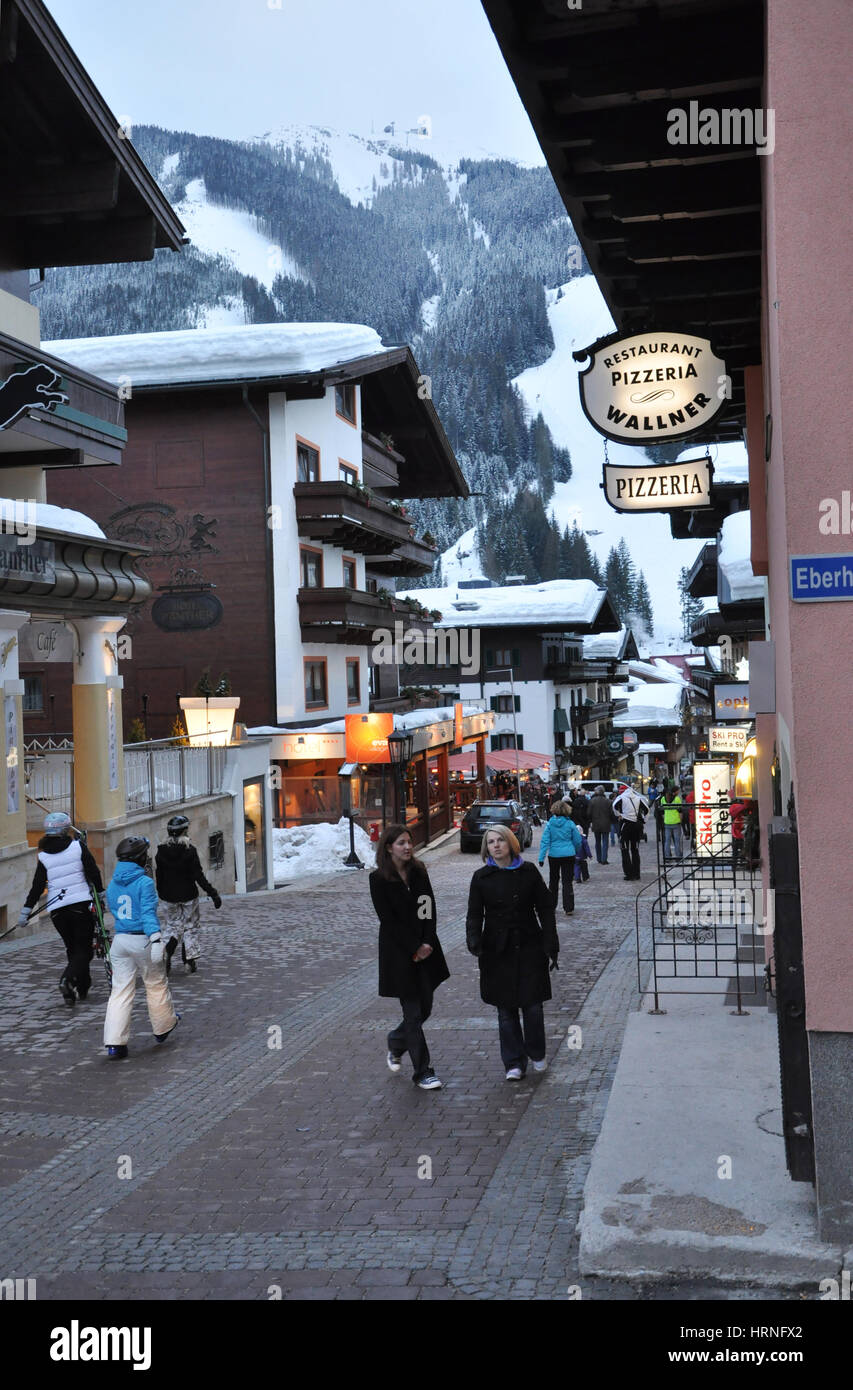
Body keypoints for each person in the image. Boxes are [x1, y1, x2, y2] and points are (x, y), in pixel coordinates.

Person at [467, 823, 558, 1081]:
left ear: (510, 843)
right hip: (497, 949)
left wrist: (550, 942)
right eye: (491, 842)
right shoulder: (481, 878)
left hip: (529, 944)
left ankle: (536, 1051)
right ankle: (513, 1061)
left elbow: (545, 908)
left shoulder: (528, 872)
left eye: (500, 841)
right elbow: (474, 914)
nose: (496, 846)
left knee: (532, 1006)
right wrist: (474, 940)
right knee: (505, 1009)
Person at [369, 824, 449, 1091]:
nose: (407, 847)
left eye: (409, 842)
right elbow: (388, 921)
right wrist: (413, 947)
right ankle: (423, 1072)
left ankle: (396, 1040)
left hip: (426, 949)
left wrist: (427, 941)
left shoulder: (418, 872)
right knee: (413, 1013)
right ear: (389, 847)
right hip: (400, 954)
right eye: (401, 843)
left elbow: (428, 907)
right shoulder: (379, 879)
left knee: (425, 1009)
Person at [103, 836, 180, 1059]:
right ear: (141, 858)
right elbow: (147, 914)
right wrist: (156, 939)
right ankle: (163, 1027)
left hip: (120, 941)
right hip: (142, 939)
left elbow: (114, 909)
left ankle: (114, 1043)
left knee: (120, 991)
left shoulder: (113, 883)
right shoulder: (144, 882)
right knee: (155, 983)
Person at [18, 811, 104, 1006]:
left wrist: (26, 911)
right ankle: (66, 980)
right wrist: (100, 893)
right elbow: (93, 871)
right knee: (84, 950)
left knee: (73, 949)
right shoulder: (77, 847)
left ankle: (80, 987)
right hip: (80, 905)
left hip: (57, 910)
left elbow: (37, 887)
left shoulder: (44, 857)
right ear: (66, 830)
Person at [154, 814, 222, 975]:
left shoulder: (161, 852)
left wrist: (162, 893)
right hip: (188, 896)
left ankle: (166, 953)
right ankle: (189, 961)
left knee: (172, 926)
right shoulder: (189, 851)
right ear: (184, 831)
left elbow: (159, 877)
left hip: (168, 897)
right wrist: (213, 894)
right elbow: (198, 875)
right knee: (190, 927)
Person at [538, 799, 582, 914]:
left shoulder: (550, 824)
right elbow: (577, 840)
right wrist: (575, 850)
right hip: (568, 854)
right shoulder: (570, 823)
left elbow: (545, 841)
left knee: (553, 881)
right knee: (567, 882)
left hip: (554, 855)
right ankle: (568, 908)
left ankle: (552, 905)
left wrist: (541, 858)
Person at [613, 784, 650, 881]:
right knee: (635, 850)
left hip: (625, 825)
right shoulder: (638, 798)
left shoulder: (621, 798)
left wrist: (620, 814)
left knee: (624, 849)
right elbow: (647, 809)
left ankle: (629, 874)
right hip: (636, 827)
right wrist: (644, 820)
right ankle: (637, 873)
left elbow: (614, 806)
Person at [589, 785, 615, 864]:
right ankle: (604, 859)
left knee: (597, 842)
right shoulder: (608, 801)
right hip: (606, 823)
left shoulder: (592, 801)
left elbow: (589, 813)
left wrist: (591, 821)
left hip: (596, 823)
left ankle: (599, 858)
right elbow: (612, 813)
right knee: (605, 841)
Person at [660, 783, 685, 859]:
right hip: (676, 822)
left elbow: (662, 812)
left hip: (667, 822)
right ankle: (678, 857)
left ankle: (667, 857)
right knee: (677, 841)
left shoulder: (663, 799)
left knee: (667, 841)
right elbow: (680, 811)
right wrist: (681, 821)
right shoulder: (677, 799)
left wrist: (665, 818)